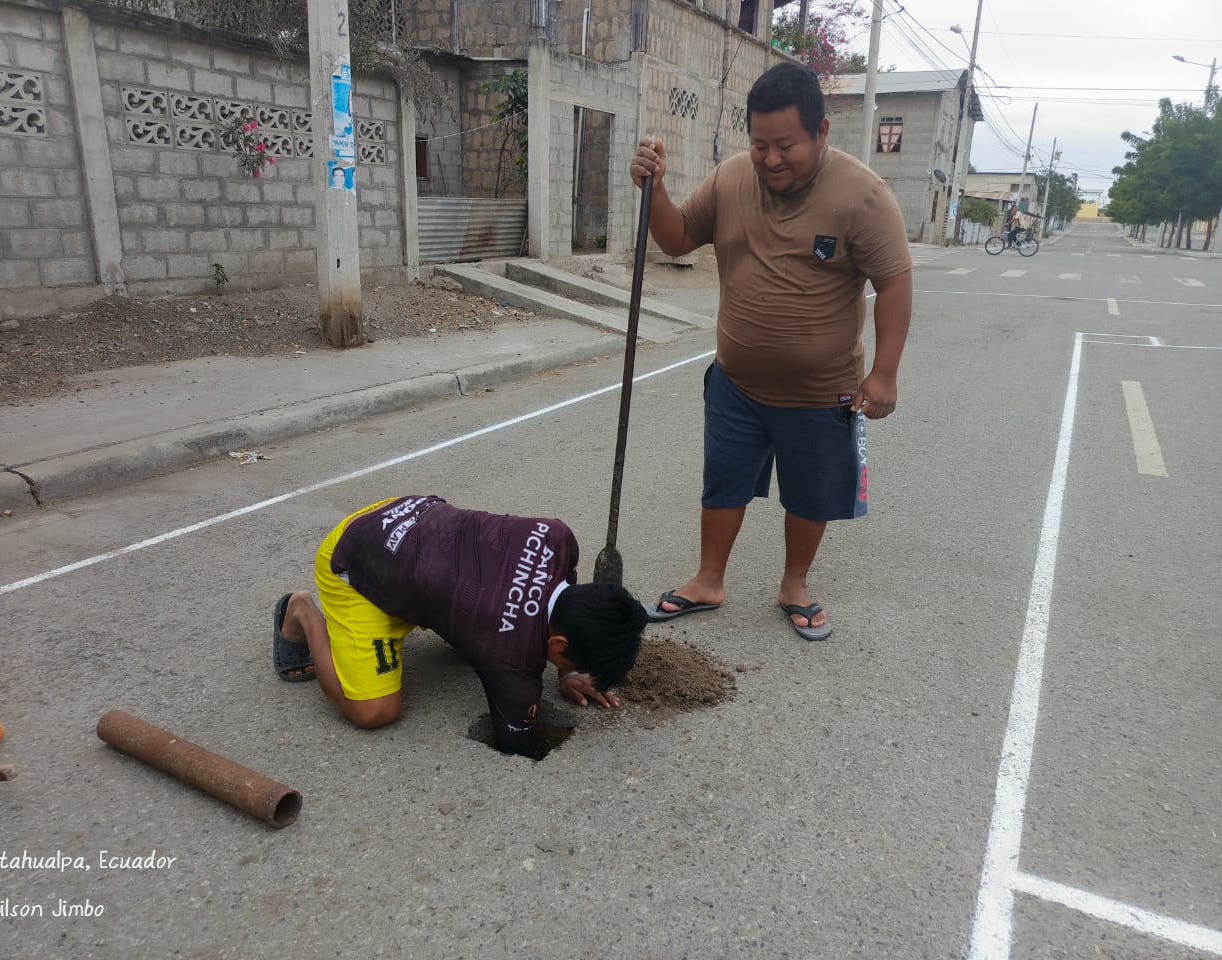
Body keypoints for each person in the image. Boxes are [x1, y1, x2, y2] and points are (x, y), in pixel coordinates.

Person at [628, 62, 912, 641]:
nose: (771, 159)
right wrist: (653, 190)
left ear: (821, 132)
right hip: (736, 384)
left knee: (811, 493)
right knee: (723, 482)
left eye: (786, 146)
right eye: (760, 145)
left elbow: (895, 283)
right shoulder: (732, 178)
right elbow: (678, 238)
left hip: (821, 393)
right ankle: (708, 580)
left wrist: (884, 373)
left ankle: (795, 586)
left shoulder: (862, 196)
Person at [273, 495, 648, 758]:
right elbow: (515, 738)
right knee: (375, 711)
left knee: (473, 609)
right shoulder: (507, 649)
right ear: (559, 643)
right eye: (569, 662)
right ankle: (302, 611)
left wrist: (568, 670)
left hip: (407, 510)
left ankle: (420, 607)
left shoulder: (559, 538)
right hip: (355, 558)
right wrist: (547, 696)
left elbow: (555, 603)